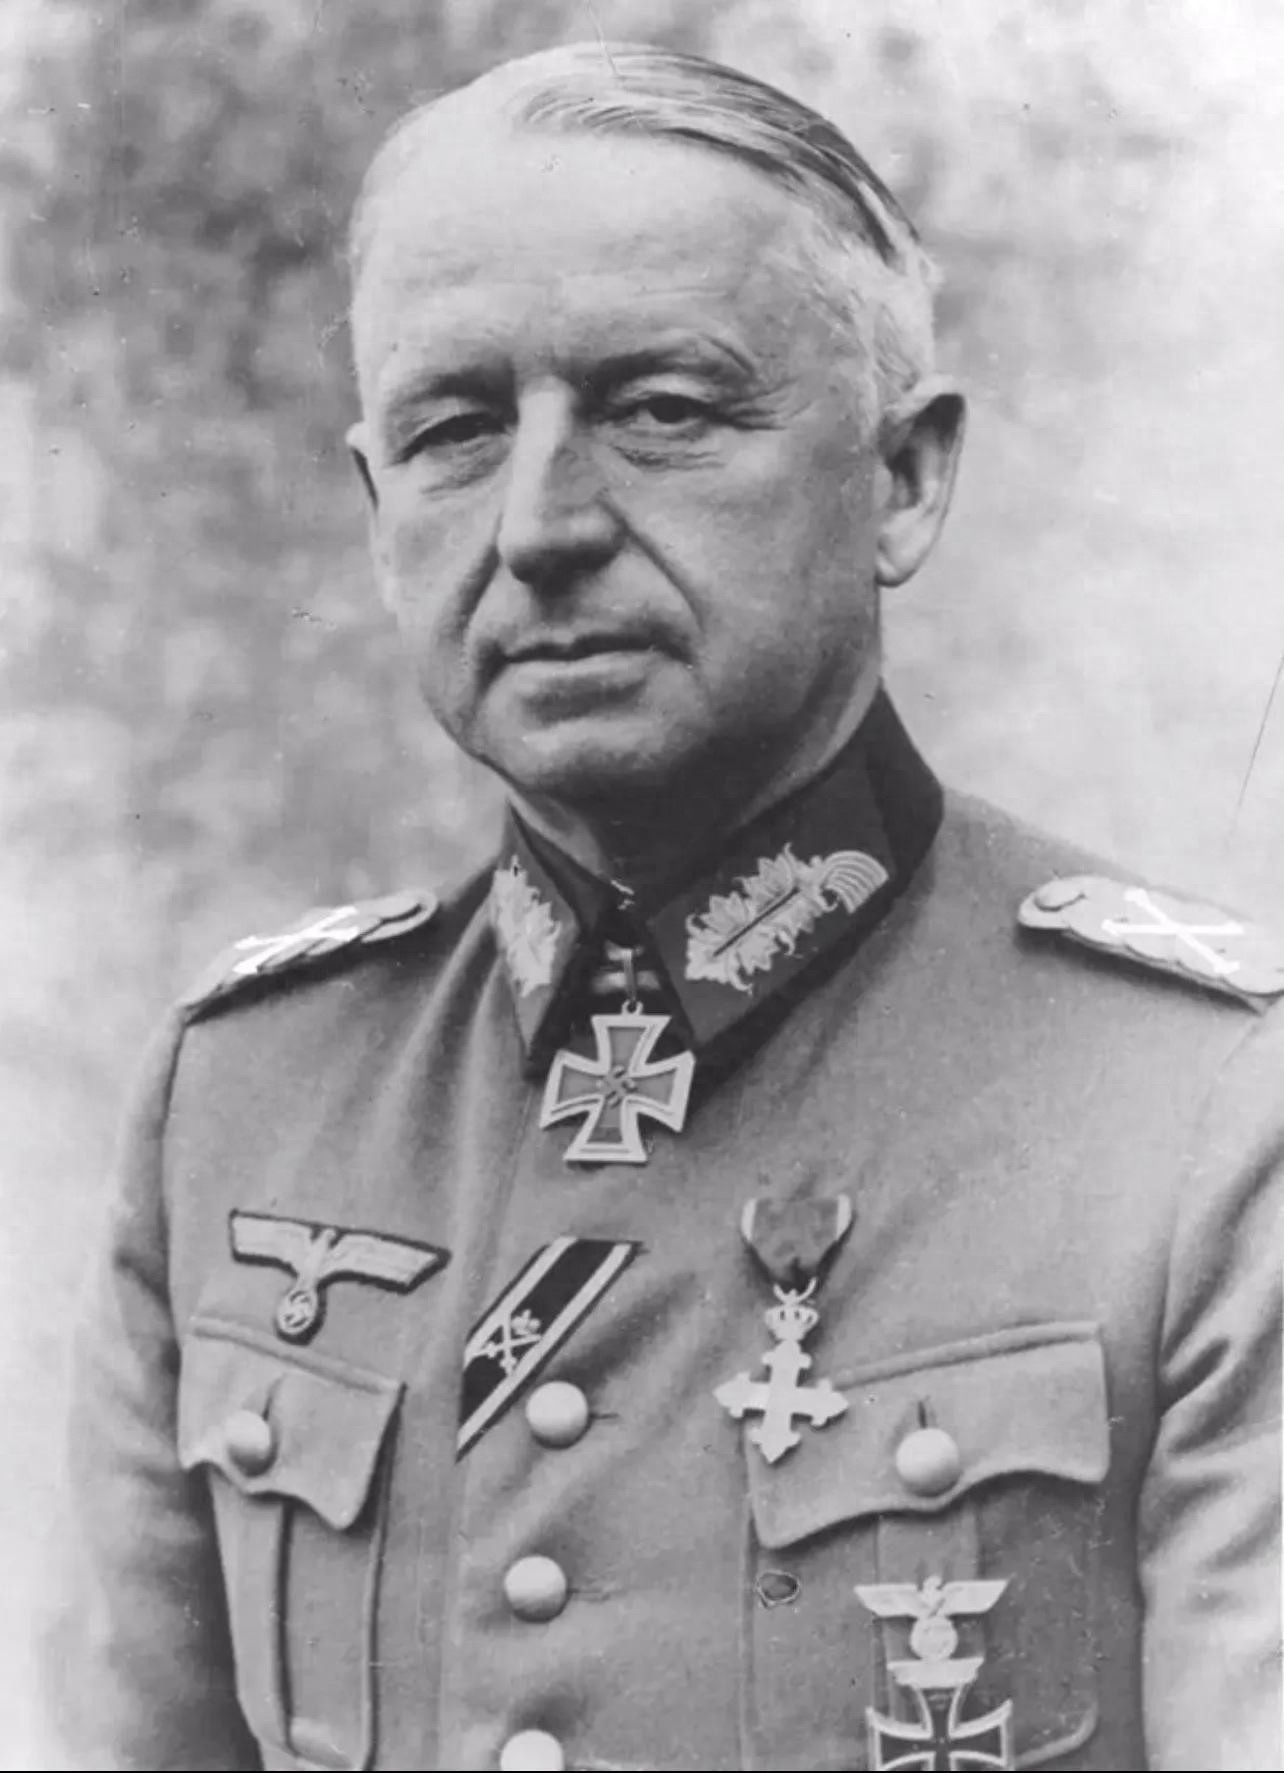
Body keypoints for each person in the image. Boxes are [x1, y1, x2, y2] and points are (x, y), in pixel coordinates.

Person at [54, 41, 1281, 1773]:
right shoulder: (244, 1098)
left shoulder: (1208, 1111)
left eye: (665, 409)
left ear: (904, 477)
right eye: (455, 430)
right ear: (377, 510)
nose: (540, 526)